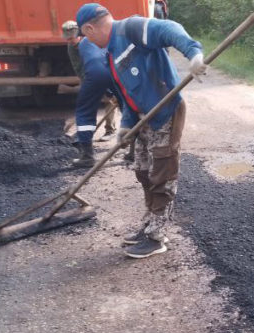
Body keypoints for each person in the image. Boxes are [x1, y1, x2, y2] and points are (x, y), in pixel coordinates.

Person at [76, 3, 207, 258]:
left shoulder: (131, 29)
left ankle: (157, 236)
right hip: (142, 119)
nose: (87, 40)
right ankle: (149, 222)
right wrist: (125, 126)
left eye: (85, 34)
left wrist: (193, 53)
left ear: (90, 28)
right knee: (143, 172)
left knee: (162, 174)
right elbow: (127, 97)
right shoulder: (111, 56)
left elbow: (169, 28)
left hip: (165, 112)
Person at [61, 20, 118, 168]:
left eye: (72, 37)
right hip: (96, 75)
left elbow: (103, 58)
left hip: (107, 72)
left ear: (79, 33)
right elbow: (79, 68)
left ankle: (91, 152)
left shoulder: (90, 40)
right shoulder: (71, 47)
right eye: (68, 38)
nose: (70, 40)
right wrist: (88, 84)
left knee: (90, 111)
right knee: (90, 108)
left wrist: (109, 91)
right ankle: (87, 151)